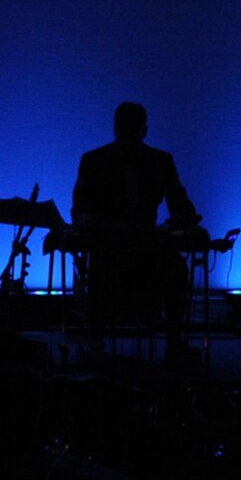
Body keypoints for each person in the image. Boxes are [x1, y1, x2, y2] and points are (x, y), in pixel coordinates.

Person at [70, 101, 201, 343]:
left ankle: (172, 343)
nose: (126, 135)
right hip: (111, 245)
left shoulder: (160, 161)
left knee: (176, 270)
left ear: (143, 131)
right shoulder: (95, 161)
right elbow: (80, 205)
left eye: (130, 129)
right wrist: (83, 218)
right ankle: (170, 343)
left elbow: (179, 201)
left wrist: (185, 216)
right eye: (123, 128)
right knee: (172, 268)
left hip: (144, 246)